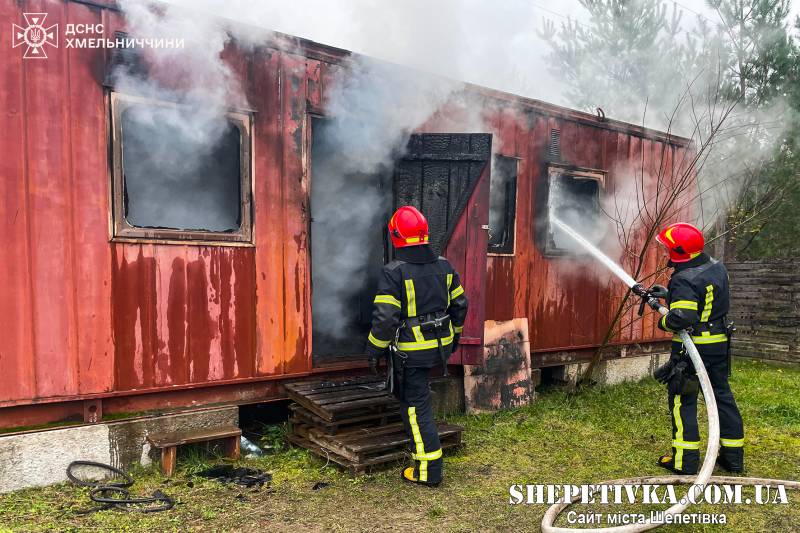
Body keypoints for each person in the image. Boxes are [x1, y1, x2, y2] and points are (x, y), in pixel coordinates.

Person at [365, 205, 468, 487]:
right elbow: (460, 305)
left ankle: (428, 470)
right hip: (439, 347)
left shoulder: (393, 272)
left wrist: (374, 350)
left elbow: (386, 319)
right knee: (417, 401)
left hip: (412, 352)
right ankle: (423, 459)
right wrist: (455, 337)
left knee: (414, 406)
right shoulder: (445, 265)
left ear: (396, 236)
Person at [652, 222, 744, 475]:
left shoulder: (683, 278)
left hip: (693, 352)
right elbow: (704, 298)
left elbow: (682, 318)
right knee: (722, 397)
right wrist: (668, 295)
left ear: (679, 251)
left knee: (684, 400)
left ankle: (684, 461)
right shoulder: (715, 266)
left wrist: (662, 317)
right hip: (718, 345)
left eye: (668, 247)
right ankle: (733, 458)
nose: (665, 251)